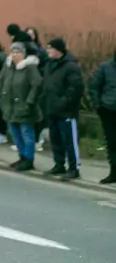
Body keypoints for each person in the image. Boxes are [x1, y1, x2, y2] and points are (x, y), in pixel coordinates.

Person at [41, 37, 83, 181]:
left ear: (58, 50)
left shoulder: (71, 66)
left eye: (50, 48)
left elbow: (75, 89)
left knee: (70, 140)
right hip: (51, 109)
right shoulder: (49, 65)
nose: (47, 51)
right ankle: (59, 164)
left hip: (66, 111)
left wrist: (63, 102)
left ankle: (74, 168)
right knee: (56, 139)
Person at [0, 41, 41, 171]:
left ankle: (29, 159)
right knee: (15, 133)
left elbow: (36, 85)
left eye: (18, 52)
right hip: (9, 107)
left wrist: (29, 101)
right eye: (13, 52)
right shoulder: (8, 67)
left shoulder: (30, 68)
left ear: (23, 54)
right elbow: (1, 80)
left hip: (24, 107)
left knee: (26, 133)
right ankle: (21, 156)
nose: (15, 55)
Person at [89, 48, 116, 185]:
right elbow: (94, 87)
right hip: (109, 110)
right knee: (112, 142)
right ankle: (114, 172)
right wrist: (98, 105)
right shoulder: (106, 67)